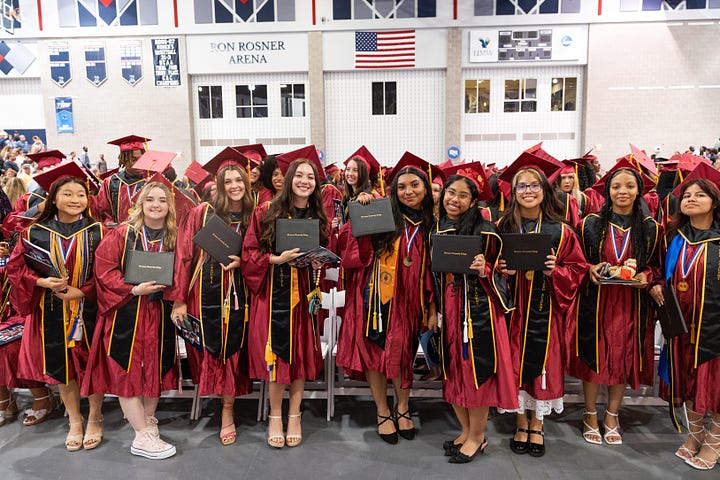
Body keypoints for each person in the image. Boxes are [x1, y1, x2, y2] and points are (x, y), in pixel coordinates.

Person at [335, 152, 438, 445]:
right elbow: (349, 248)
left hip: (409, 301)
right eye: (402, 186)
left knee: (403, 355)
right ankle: (382, 411)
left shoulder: (433, 223)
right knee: (373, 354)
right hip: (373, 296)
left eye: (414, 185)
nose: (408, 192)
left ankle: (403, 407)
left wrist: (432, 307)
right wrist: (359, 209)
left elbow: (435, 270)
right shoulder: (383, 214)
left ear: (425, 188)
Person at [496, 153, 588, 458]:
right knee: (512, 363)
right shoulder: (501, 225)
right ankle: (520, 422)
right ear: (513, 192)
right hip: (511, 311)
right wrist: (501, 271)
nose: (528, 191)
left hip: (545, 310)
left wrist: (554, 271)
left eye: (534, 185)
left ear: (545, 191)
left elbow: (578, 270)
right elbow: (486, 268)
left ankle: (537, 424)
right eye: (521, 186)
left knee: (543, 366)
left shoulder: (560, 230)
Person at [7, 168, 105, 452]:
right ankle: (75, 420)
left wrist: (82, 291)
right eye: (68, 194)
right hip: (51, 309)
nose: (75, 199)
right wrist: (40, 281)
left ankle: (96, 418)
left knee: (91, 365)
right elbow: (16, 267)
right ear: (53, 197)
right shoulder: (34, 232)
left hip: (89, 307)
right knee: (63, 368)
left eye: (81, 194)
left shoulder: (97, 231)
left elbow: (108, 272)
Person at [83, 181, 178, 459]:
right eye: (150, 199)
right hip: (128, 312)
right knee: (128, 372)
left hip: (158, 312)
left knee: (154, 370)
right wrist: (133, 289)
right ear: (140, 203)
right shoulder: (124, 234)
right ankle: (140, 437)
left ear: (169, 206)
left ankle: (148, 424)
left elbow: (183, 271)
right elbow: (104, 270)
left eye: (162, 200)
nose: (156, 205)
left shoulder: (173, 236)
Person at [168, 151, 255, 446]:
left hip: (243, 293)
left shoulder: (255, 213)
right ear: (218, 183)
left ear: (246, 182)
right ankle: (221, 408)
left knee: (234, 351)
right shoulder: (201, 213)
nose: (234, 186)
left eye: (238, 180)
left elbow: (261, 254)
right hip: (202, 293)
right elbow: (183, 256)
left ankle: (229, 410)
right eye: (227, 180)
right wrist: (179, 299)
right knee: (211, 350)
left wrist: (243, 262)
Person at [242, 157, 331, 449]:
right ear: (290, 178)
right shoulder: (265, 211)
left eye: (311, 177)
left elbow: (327, 253)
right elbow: (249, 254)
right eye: (300, 175)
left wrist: (319, 259)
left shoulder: (318, 217)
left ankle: (295, 414)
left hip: (303, 297)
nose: (305, 181)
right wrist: (273, 259)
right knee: (276, 358)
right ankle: (275, 416)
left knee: (300, 355)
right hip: (272, 298)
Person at [432, 164, 517, 463]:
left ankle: (478, 437)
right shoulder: (437, 228)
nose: (454, 199)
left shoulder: (487, 232)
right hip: (451, 310)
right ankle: (466, 430)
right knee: (453, 372)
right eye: (450, 192)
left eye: (463, 195)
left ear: (472, 201)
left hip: (478, 312)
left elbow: (504, 276)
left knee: (474, 374)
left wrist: (486, 270)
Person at [571, 165, 660, 446]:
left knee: (622, 357)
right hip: (597, 301)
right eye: (616, 186)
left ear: (639, 191)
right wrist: (589, 269)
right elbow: (575, 260)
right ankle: (589, 413)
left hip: (631, 303)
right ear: (607, 191)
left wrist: (646, 276)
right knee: (594, 357)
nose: (622, 191)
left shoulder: (650, 228)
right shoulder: (590, 224)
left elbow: (655, 266)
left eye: (629, 186)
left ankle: (611, 414)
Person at [650, 164, 720, 470]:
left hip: (714, 328)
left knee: (714, 386)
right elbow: (657, 271)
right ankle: (694, 435)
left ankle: (714, 442)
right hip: (679, 324)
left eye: (700, 194)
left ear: (714, 201)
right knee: (688, 382)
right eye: (687, 195)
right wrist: (654, 285)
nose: (690, 199)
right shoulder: (673, 237)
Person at [93, 135, 151, 225]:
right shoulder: (110, 182)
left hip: (144, 234)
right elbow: (103, 211)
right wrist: (109, 222)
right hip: (118, 233)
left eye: (141, 159)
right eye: (133, 159)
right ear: (124, 160)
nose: (138, 164)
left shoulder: (149, 182)